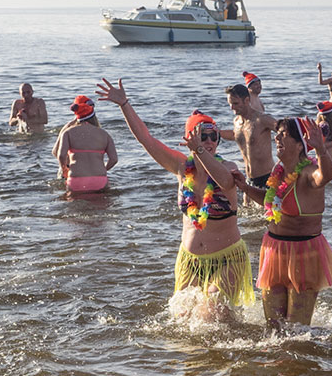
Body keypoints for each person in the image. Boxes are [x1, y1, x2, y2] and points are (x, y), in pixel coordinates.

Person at [96, 79, 253, 310]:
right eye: (203, 135)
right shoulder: (181, 167)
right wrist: (124, 104)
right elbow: (146, 140)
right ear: (190, 136)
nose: (209, 141)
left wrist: (200, 150)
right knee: (183, 318)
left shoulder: (228, 167)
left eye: (213, 136)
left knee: (213, 312)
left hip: (226, 259)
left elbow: (226, 182)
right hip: (190, 260)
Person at [237, 117, 332, 328]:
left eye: (283, 134)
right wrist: (245, 187)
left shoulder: (309, 172)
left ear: (299, 143)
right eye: (277, 134)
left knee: (296, 328)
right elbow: (271, 199)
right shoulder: (279, 171)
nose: (277, 137)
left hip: (304, 252)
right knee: (273, 326)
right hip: (274, 250)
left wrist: (321, 149)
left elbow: (326, 176)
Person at [219, 83, 276, 190]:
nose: (232, 107)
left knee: (271, 206)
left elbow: (286, 131)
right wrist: (216, 132)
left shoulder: (262, 119)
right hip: (249, 179)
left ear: (246, 100)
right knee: (248, 207)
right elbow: (236, 135)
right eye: (230, 104)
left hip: (268, 177)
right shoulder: (236, 122)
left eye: (235, 103)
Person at [54, 95, 116, 193]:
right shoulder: (104, 134)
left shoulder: (68, 131)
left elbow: (59, 154)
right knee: (103, 206)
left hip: (76, 179)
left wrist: (64, 169)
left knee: (72, 205)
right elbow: (114, 159)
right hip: (99, 180)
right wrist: (102, 169)